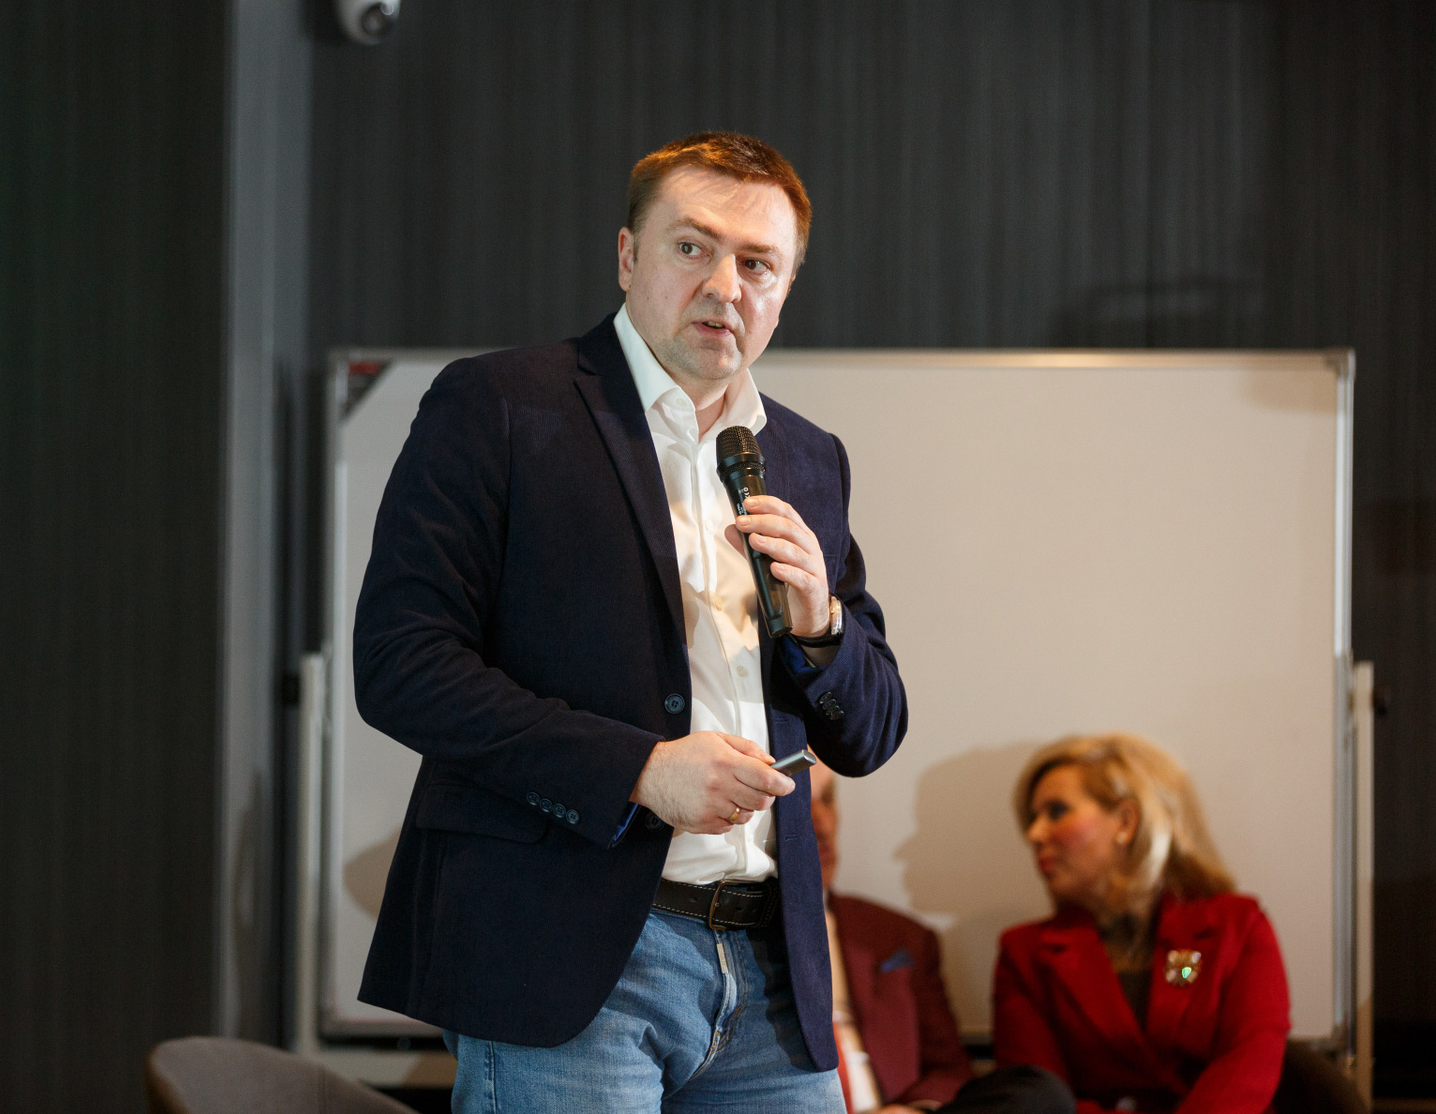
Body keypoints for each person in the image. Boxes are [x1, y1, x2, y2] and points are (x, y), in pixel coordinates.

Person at [353, 132, 909, 1113]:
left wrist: (822, 624)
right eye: (692, 247)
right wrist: (639, 769)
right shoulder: (502, 406)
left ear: (785, 290)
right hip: (567, 956)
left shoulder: (806, 456)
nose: (725, 286)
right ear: (627, 255)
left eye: (758, 264)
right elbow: (403, 663)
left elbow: (869, 733)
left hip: (772, 974)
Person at [993, 734, 1291, 1114]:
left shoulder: (1238, 926)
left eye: (1056, 812)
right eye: (1032, 819)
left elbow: (1249, 1064)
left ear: (1126, 821)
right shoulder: (1023, 953)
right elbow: (1036, 1099)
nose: (1034, 835)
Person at [812, 763, 1071, 1114]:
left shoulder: (899, 935)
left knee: (1036, 1094)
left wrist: (914, 1110)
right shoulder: (738, 938)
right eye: (799, 804)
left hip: (896, 1108)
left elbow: (950, 1069)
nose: (822, 825)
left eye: (827, 801)